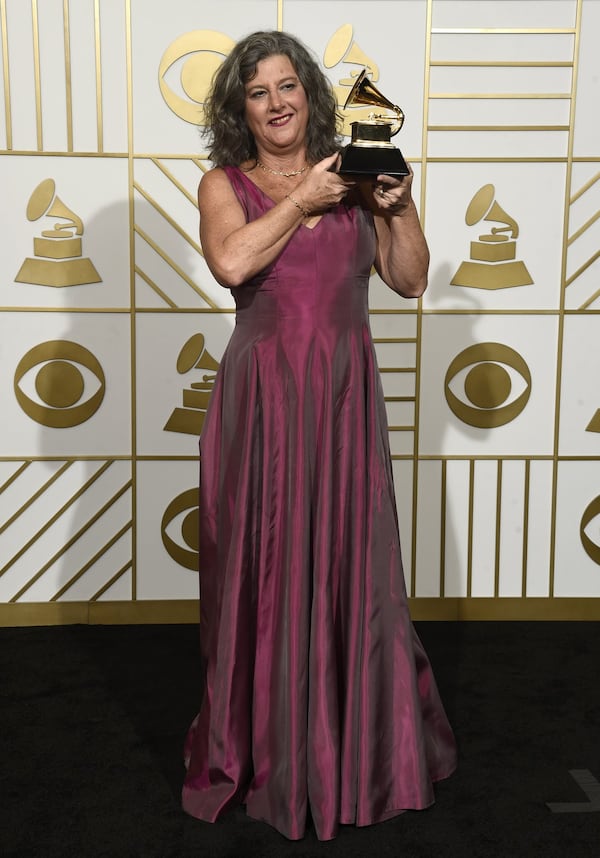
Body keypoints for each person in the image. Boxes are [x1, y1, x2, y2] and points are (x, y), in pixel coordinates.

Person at [182, 30, 457, 842]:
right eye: (258, 91)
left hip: (342, 396)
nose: (277, 102)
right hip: (262, 399)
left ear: (311, 94)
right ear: (241, 108)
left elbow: (407, 278)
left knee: (352, 566)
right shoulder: (223, 184)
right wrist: (301, 202)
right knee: (259, 570)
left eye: (288, 85)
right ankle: (263, 750)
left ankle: (358, 748)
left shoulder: (360, 174)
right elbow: (232, 264)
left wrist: (397, 207)